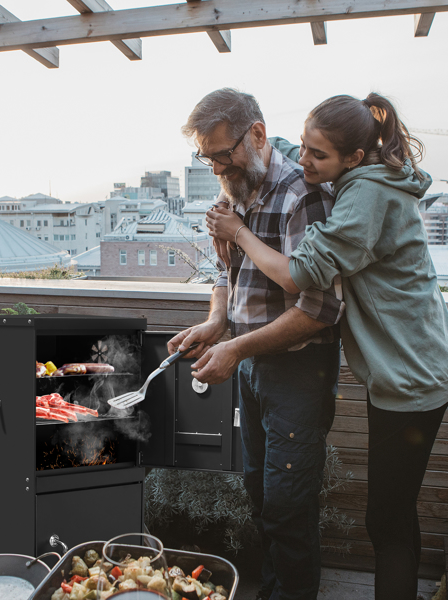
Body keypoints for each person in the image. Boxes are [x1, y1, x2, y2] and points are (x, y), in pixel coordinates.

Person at [206, 93, 448, 600]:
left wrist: (238, 233)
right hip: (404, 367)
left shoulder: (362, 196)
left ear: (354, 157)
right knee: (395, 511)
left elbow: (301, 276)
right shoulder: (353, 177)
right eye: (302, 148)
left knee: (384, 521)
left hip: (410, 374)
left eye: (317, 155)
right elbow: (271, 152)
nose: (304, 161)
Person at [168, 88, 345, 600]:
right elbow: (226, 273)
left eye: (224, 153)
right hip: (253, 369)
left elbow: (320, 312)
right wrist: (216, 324)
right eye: (208, 157)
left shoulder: (300, 194)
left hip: (298, 373)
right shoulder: (235, 189)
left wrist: (237, 350)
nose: (217, 166)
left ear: (258, 134)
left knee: (289, 507)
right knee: (261, 494)